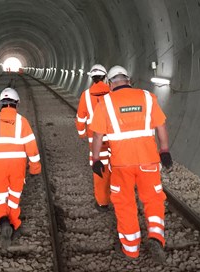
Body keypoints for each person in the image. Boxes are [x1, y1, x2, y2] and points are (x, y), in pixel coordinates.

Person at [89, 66, 173, 263]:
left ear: (110, 83)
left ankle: (131, 249)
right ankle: (156, 237)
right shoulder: (147, 97)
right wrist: (165, 150)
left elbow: (97, 135)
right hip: (149, 161)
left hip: (121, 164)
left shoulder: (105, 102)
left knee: (124, 203)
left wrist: (96, 159)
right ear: (129, 80)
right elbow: (161, 126)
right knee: (153, 199)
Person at [0, 87, 42, 249]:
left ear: (1, 104)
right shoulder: (22, 122)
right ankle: (15, 225)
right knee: (13, 196)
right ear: (16, 104)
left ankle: (4, 222)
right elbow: (32, 148)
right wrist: (34, 169)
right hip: (17, 166)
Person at [76, 64, 111, 210]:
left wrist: (82, 132)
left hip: (96, 142)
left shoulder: (86, 94)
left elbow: (80, 118)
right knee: (117, 169)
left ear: (92, 78)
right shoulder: (112, 92)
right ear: (105, 77)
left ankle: (102, 202)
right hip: (114, 139)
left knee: (100, 171)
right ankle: (118, 198)